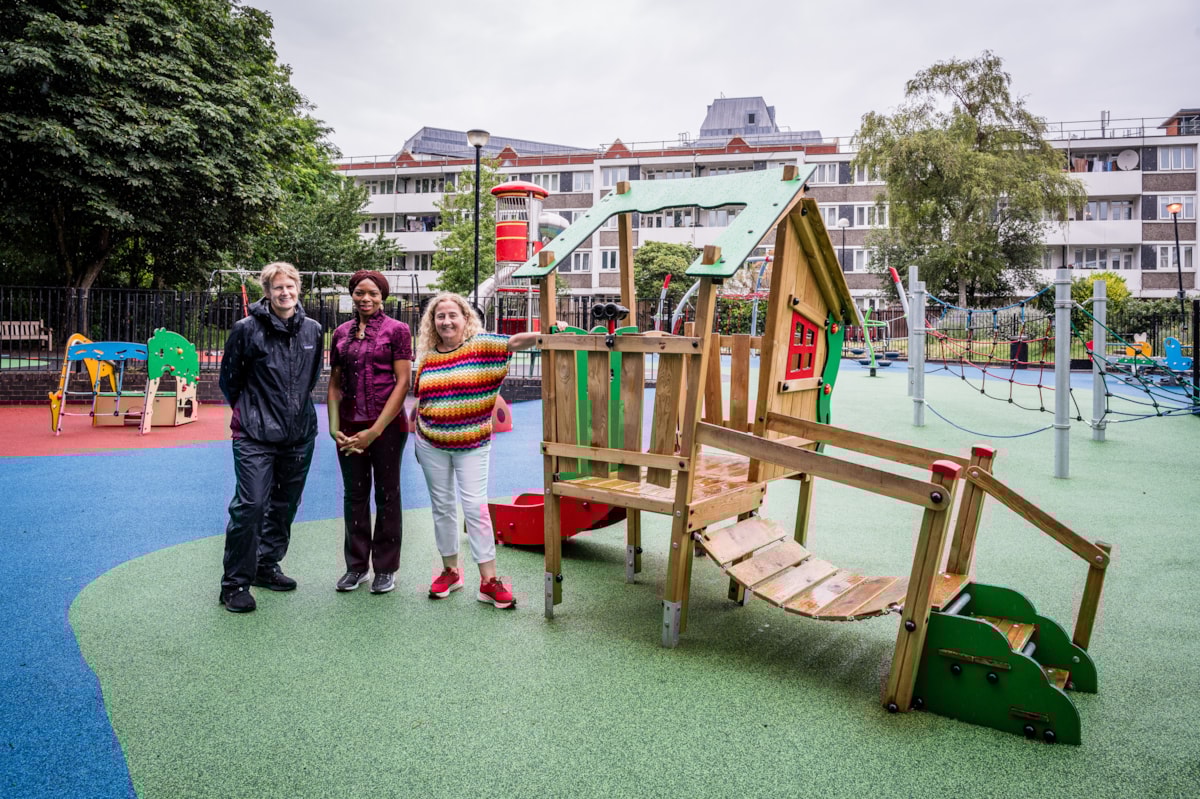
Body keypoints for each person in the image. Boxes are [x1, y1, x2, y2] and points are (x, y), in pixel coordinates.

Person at [413, 292, 539, 609]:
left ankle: (489, 580)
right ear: (433, 322)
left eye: (452, 315)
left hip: (472, 445)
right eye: (439, 316)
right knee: (442, 507)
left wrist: (543, 334)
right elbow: (422, 398)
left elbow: (515, 342)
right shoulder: (427, 358)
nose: (446, 321)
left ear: (465, 318)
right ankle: (450, 571)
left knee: (475, 508)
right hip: (430, 443)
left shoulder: (481, 347)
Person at [218, 262, 324, 613]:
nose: (285, 293)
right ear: (267, 291)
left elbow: (308, 380)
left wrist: (293, 416)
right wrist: (251, 413)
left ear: (298, 289)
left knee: (284, 505)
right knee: (251, 505)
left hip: (298, 434)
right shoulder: (246, 329)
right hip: (255, 434)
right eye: (278, 287)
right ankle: (234, 583)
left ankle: (266, 565)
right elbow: (229, 380)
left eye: (290, 287)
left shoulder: (312, 330)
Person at [327, 271, 412, 594]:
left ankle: (386, 568)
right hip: (349, 427)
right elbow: (335, 382)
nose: (366, 298)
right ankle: (356, 566)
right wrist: (335, 427)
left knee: (387, 495)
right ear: (352, 295)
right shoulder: (341, 333)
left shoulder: (398, 331)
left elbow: (403, 382)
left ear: (383, 297)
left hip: (387, 428)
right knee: (354, 496)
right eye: (360, 292)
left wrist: (375, 431)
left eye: (373, 293)